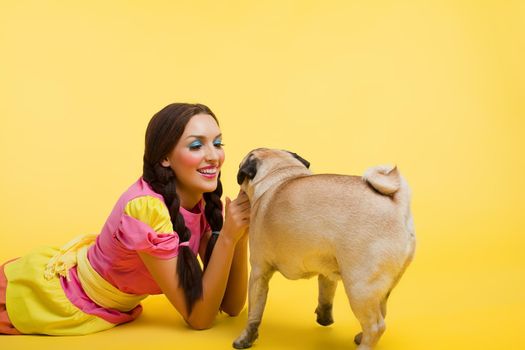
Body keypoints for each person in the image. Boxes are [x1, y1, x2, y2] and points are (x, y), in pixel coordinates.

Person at [0, 103, 251, 335]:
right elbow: (199, 318)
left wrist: (240, 235)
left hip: (109, 301)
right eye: (196, 146)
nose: (213, 156)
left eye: (218, 143)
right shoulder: (146, 210)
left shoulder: (204, 200)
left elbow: (231, 306)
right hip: (61, 296)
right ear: (165, 157)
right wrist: (228, 237)